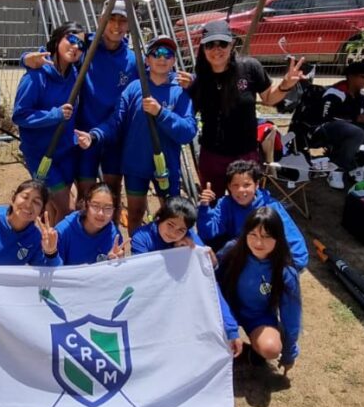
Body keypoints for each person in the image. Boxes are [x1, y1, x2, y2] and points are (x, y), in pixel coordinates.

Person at [21, 0, 137, 213]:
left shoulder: (133, 59)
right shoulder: (86, 46)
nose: (116, 25)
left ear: (130, 24)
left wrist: (190, 81)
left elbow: (158, 74)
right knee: (84, 196)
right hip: (82, 136)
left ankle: (108, 233)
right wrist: (25, 58)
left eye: (123, 20)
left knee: (111, 195)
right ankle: (78, 233)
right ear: (101, 20)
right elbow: (57, 51)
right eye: (111, 18)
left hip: (113, 135)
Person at [76, 35, 197, 235]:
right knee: (135, 214)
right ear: (147, 60)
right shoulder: (134, 88)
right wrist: (94, 135)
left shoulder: (180, 92)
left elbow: (187, 132)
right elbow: (115, 122)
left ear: (174, 61)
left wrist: (161, 113)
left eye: (168, 54)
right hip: (136, 166)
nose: (162, 58)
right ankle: (136, 250)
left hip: (167, 167)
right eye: (156, 53)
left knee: (171, 216)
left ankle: (165, 250)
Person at [188, 20, 305, 197]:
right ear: (203, 48)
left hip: (245, 154)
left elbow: (268, 98)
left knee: (245, 202)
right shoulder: (199, 78)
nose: (216, 50)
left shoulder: (250, 68)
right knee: (213, 202)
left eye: (222, 44)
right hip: (212, 155)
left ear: (232, 44)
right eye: (210, 44)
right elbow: (187, 115)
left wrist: (285, 86)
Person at [129, 196, 243, 358]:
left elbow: (209, 284)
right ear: (159, 217)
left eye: (180, 230)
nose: (173, 233)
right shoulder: (141, 237)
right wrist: (174, 254)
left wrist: (231, 329)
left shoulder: (191, 239)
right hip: (153, 301)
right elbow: (143, 279)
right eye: (170, 225)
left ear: (187, 230)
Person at [12, 21, 86, 223]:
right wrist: (54, 115)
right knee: (66, 208)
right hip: (41, 154)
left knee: (52, 208)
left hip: (65, 151)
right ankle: (58, 243)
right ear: (58, 39)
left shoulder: (74, 74)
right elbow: (19, 115)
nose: (76, 46)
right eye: (71, 39)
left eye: (81, 45)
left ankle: (48, 241)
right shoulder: (36, 76)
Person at [216, 205, 301, 373]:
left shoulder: (285, 272)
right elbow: (210, 278)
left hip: (258, 316)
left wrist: (289, 352)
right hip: (226, 310)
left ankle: (256, 347)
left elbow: (292, 317)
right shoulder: (232, 250)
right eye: (253, 234)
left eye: (266, 236)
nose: (258, 243)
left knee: (271, 348)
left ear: (278, 238)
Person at [197, 160, 309, 270]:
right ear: (229, 187)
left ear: (256, 185)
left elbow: (294, 242)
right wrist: (204, 207)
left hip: (266, 258)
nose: (241, 190)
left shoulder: (271, 207)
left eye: (246, 185)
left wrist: (289, 269)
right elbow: (207, 233)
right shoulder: (226, 204)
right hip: (240, 254)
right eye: (235, 185)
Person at [314, 60, 364, 190]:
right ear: (350, 76)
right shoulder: (334, 93)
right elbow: (324, 117)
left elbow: (361, 117)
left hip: (355, 130)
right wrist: (354, 119)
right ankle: (337, 170)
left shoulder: (363, 96)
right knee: (357, 132)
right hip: (327, 129)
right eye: (362, 77)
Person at [34, 182, 124, 264]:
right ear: (86, 205)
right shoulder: (64, 231)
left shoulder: (114, 235)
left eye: (108, 208)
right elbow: (53, 271)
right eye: (95, 206)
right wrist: (51, 253)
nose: (101, 213)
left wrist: (114, 262)